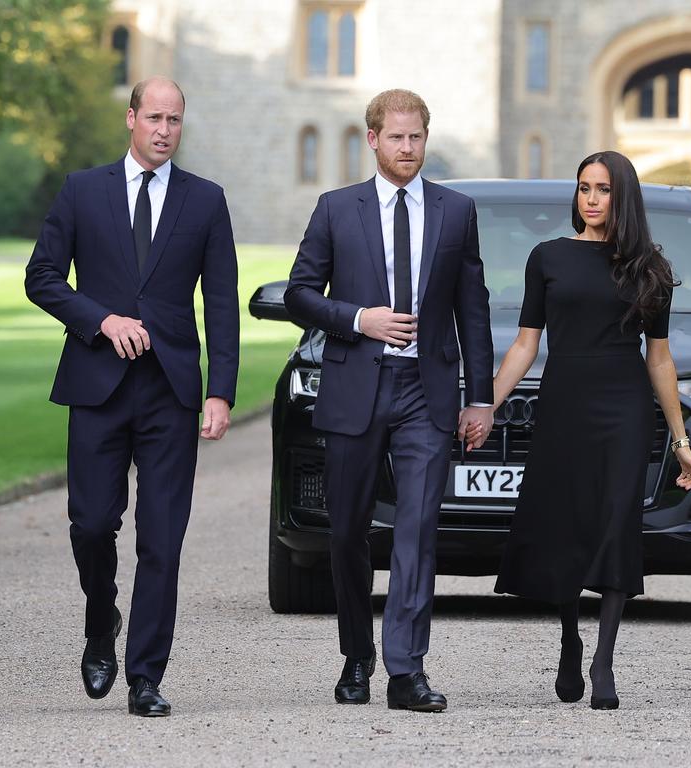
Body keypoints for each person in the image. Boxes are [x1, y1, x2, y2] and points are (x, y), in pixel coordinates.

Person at [25, 77, 239, 717]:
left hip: (170, 391)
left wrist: (220, 391)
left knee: (163, 540)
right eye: (154, 117)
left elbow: (222, 305)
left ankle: (146, 675)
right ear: (131, 118)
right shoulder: (82, 191)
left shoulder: (205, 201)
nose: (164, 130)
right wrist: (101, 320)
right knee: (92, 525)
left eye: (175, 119)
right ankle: (100, 619)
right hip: (97, 384)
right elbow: (41, 278)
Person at [284, 89, 494, 711]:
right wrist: (358, 319)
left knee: (418, 529)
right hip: (354, 388)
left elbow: (473, 311)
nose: (407, 148)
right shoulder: (335, 209)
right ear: (371, 139)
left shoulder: (457, 211)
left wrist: (478, 398)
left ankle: (406, 669)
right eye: (396, 137)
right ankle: (357, 655)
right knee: (347, 530)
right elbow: (299, 293)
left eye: (416, 138)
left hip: (424, 395)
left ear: (426, 139)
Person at [486, 150, 691, 710]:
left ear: (622, 196)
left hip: (625, 407)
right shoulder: (549, 257)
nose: (591, 198)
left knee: (615, 523)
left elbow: (660, 359)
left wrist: (680, 442)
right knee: (567, 523)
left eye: (603, 189)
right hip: (564, 403)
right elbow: (525, 343)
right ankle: (569, 639)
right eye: (584, 188)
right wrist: (485, 405)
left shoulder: (650, 267)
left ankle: (604, 658)